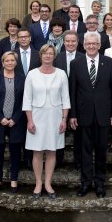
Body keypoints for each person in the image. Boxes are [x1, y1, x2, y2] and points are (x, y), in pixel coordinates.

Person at [69, 32, 112, 198]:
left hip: (104, 115)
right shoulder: (76, 63)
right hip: (83, 115)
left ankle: (99, 183)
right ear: (84, 45)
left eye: (94, 43)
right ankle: (85, 183)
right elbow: (73, 91)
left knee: (101, 152)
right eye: (88, 44)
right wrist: (73, 115)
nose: (91, 46)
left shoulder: (109, 62)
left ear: (99, 45)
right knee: (85, 152)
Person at [23, 44, 71, 200]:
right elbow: (27, 99)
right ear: (41, 56)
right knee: (37, 152)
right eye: (45, 53)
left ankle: (48, 184)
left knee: (52, 151)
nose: (48, 56)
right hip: (36, 117)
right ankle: (38, 183)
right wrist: (29, 120)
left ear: (54, 56)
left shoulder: (62, 74)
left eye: (51, 53)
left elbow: (65, 99)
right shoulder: (31, 74)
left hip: (55, 117)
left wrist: (64, 119)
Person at [0, 51, 26, 194]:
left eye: (12, 60)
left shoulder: (22, 78)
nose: (10, 63)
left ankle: (14, 179)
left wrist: (15, 118)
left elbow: (24, 101)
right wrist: (0, 118)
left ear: (16, 62)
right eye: (7, 60)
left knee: (15, 150)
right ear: (2, 62)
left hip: (16, 121)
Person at [54, 30, 84, 169]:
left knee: (79, 133)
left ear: (77, 43)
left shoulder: (83, 57)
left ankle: (78, 161)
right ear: (64, 43)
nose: (70, 43)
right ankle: (58, 160)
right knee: (59, 131)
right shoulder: (57, 58)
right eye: (68, 41)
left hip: (79, 101)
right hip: (59, 101)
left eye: (73, 41)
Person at [14, 28, 41, 170]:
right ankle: (19, 159)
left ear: (30, 38)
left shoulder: (38, 55)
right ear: (17, 39)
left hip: (35, 98)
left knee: (32, 129)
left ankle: (30, 158)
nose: (23, 39)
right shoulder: (12, 56)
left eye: (26, 37)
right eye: (21, 37)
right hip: (17, 97)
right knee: (19, 129)